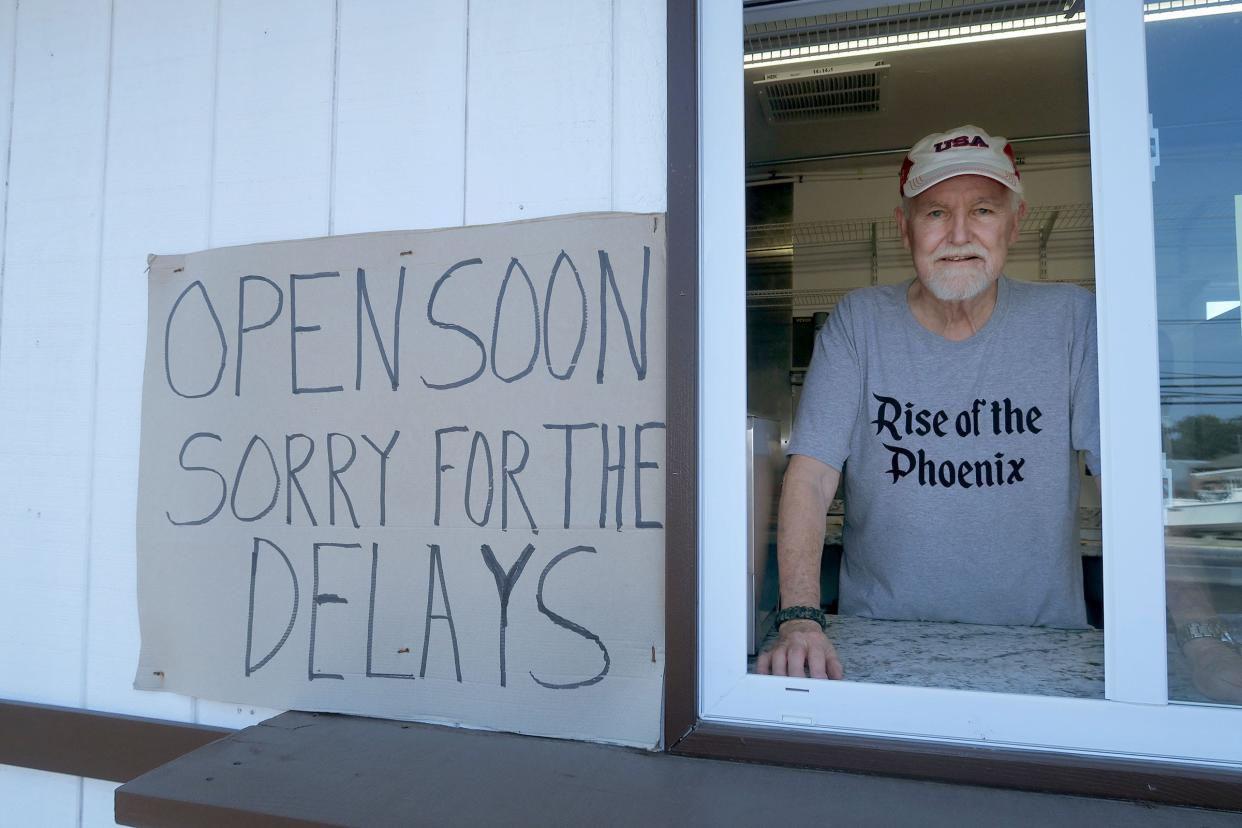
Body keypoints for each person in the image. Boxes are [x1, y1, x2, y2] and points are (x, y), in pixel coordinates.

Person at [758, 125, 1098, 679]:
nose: (959, 233)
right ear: (905, 228)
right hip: (880, 638)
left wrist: (1195, 631)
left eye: (984, 210)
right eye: (935, 213)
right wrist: (799, 617)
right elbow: (812, 473)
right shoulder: (859, 321)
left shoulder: (1070, 320)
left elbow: (1128, 480)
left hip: (1041, 644)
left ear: (1016, 221)